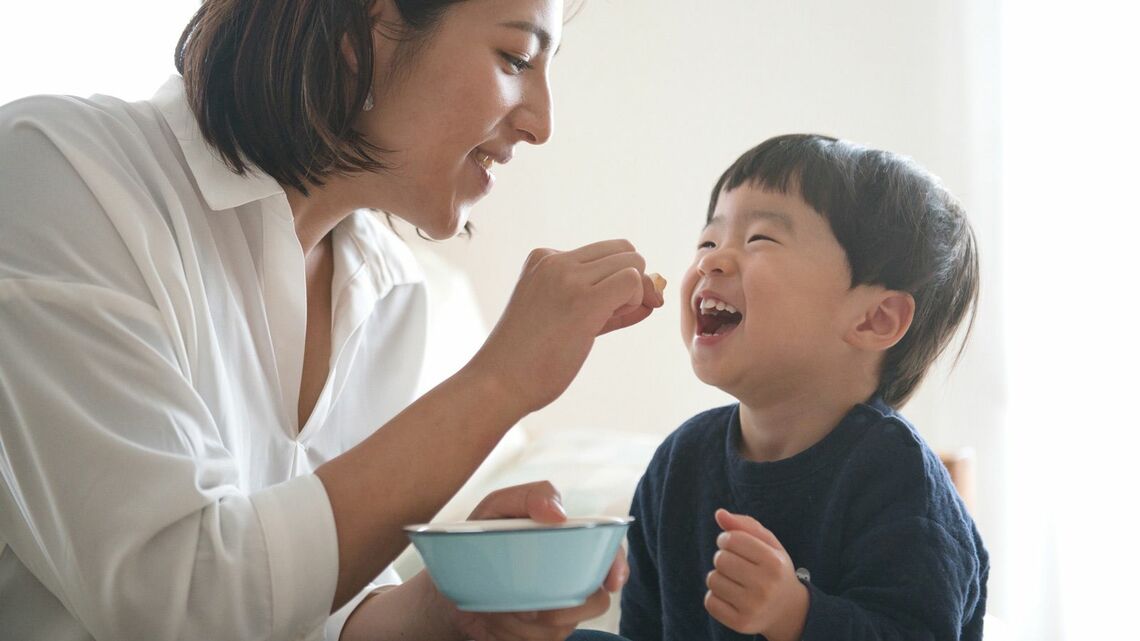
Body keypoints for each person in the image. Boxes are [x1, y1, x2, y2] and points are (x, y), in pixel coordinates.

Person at [0, 0, 664, 639]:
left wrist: (444, 608)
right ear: (362, 29)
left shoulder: (392, 291)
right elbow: (182, 602)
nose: (542, 122)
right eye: (516, 56)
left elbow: (311, 617)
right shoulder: (59, 173)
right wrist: (497, 381)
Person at [619, 134, 988, 641]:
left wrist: (798, 616)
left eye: (760, 240)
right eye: (708, 241)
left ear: (875, 318)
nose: (711, 261)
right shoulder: (680, 461)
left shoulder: (895, 474)